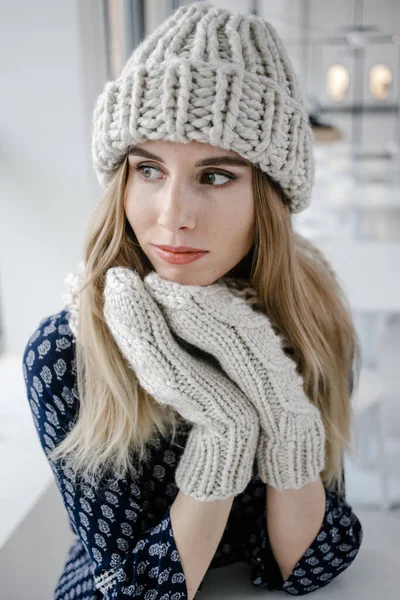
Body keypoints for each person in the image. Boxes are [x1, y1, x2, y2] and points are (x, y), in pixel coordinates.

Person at [22, 2, 364, 598]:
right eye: (148, 169)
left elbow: (313, 562)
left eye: (214, 176)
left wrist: (280, 406)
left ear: (270, 198)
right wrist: (226, 433)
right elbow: (127, 590)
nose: (172, 217)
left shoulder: (308, 322)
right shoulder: (66, 352)